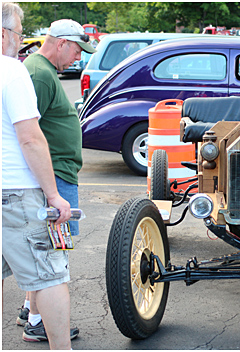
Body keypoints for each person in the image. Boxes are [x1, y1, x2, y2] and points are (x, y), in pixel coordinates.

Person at [2, 2, 74, 349]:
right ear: (3, 34)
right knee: (50, 275)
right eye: (17, 33)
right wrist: (53, 195)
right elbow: (30, 137)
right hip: (16, 191)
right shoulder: (12, 71)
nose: (20, 40)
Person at [19, 18, 95, 341]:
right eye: (77, 50)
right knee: (54, 255)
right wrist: (50, 190)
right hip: (55, 179)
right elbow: (24, 131)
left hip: (59, 175)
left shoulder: (43, 70)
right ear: (61, 43)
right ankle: (37, 321)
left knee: (47, 251)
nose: (79, 58)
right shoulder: (38, 73)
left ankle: (30, 310)